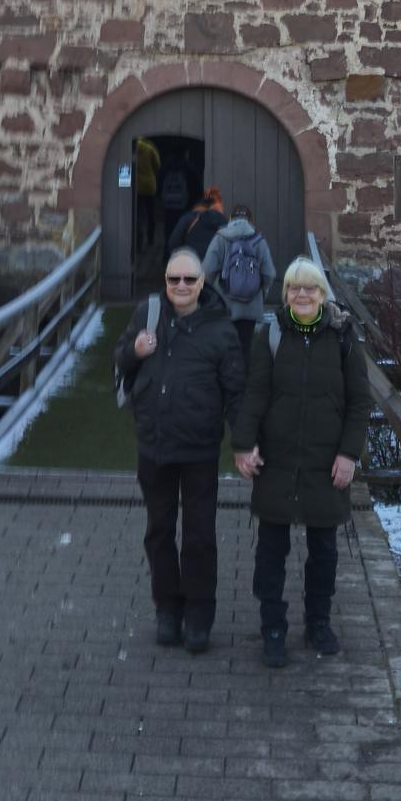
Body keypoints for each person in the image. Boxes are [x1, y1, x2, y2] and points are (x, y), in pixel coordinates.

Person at [233, 256, 372, 668]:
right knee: (271, 549)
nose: (302, 294)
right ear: (286, 293)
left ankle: (318, 622)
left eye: (310, 287)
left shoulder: (344, 337)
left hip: (325, 461)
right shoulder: (271, 334)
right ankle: (273, 626)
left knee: (323, 549)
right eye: (294, 287)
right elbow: (255, 393)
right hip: (277, 459)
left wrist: (349, 454)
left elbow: (359, 402)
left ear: (322, 293)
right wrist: (244, 444)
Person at [115, 248, 244, 654]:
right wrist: (134, 351)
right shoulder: (147, 314)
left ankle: (199, 616)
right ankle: (167, 608)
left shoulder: (221, 330)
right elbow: (119, 360)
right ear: (166, 282)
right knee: (158, 532)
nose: (182, 287)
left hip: (199, 450)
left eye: (190, 280)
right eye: (174, 280)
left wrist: (244, 443)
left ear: (203, 283)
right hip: (154, 446)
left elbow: (236, 392)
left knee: (200, 536)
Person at [201, 203, 276, 364]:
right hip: (250, 309)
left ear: (230, 218)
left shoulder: (220, 238)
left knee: (223, 348)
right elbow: (269, 273)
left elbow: (206, 272)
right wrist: (260, 296)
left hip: (223, 306)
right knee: (244, 349)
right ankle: (243, 383)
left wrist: (211, 296)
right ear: (251, 221)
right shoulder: (258, 240)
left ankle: (226, 383)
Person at [168, 184, 226, 260]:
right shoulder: (223, 221)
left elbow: (173, 243)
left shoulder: (187, 218)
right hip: (215, 265)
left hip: (191, 264)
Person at [133, 136, 161, 247]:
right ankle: (150, 239)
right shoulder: (150, 149)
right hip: (150, 186)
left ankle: (138, 241)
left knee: (138, 215)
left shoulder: (133, 147)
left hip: (137, 186)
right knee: (151, 214)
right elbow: (158, 165)